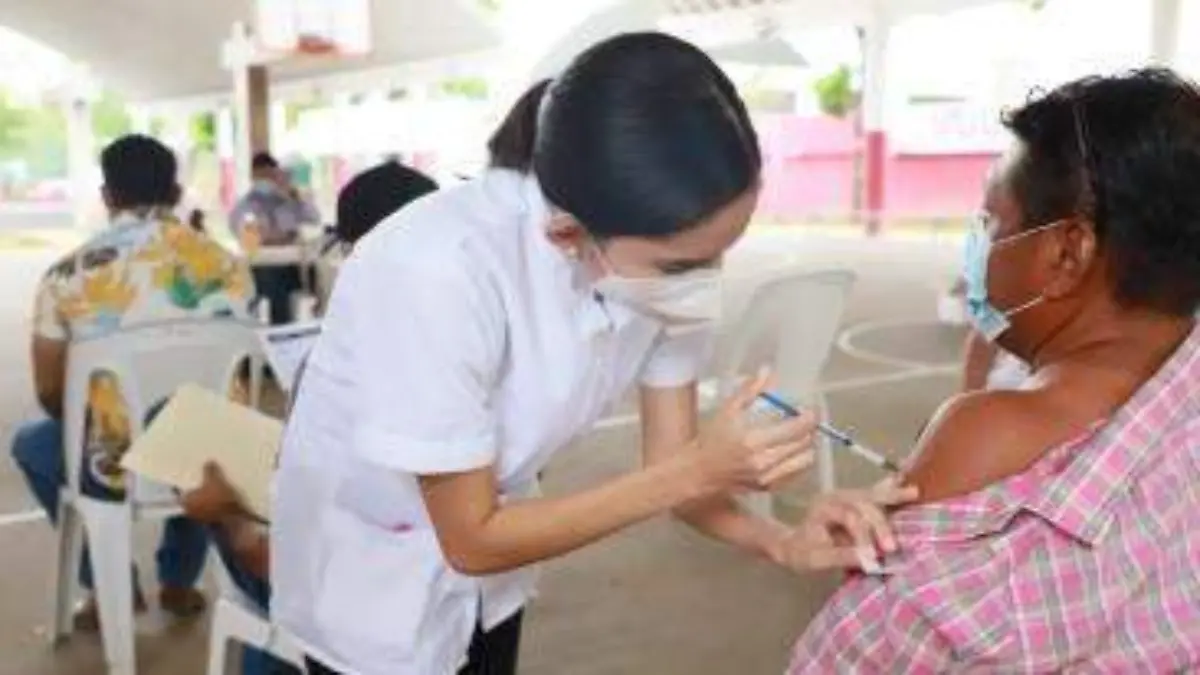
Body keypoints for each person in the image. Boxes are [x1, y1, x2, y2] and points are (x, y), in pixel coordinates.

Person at [274, 33, 915, 675]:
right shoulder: (437, 267)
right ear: (567, 234)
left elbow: (676, 476)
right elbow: (471, 538)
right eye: (683, 263)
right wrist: (699, 468)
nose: (705, 279)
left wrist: (782, 539)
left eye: (723, 252)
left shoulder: (658, 276)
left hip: (493, 576)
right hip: (375, 581)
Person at [789, 69, 1200, 671]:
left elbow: (869, 645)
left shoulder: (991, 430)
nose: (978, 246)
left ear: (1067, 254)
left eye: (991, 224)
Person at [181, 160, 440, 675]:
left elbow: (307, 565)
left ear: (354, 253)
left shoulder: (338, 370)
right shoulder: (496, 346)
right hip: (460, 592)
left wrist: (232, 520)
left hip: (370, 612)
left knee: (205, 478)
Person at [10, 134, 256, 630]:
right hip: (208, 455)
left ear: (107, 196)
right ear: (178, 190)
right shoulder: (229, 268)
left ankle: (107, 583)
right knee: (194, 420)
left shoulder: (69, 274)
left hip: (109, 463)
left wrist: (99, 424)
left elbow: (50, 392)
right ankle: (179, 580)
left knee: (33, 445)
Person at [229, 151, 322, 325]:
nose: (266, 179)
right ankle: (280, 328)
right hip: (263, 266)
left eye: (270, 174)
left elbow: (314, 219)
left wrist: (295, 195)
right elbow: (245, 233)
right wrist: (273, 236)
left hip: (294, 263)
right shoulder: (245, 205)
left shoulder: (288, 202)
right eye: (261, 175)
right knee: (272, 285)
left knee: (315, 276)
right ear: (253, 176)